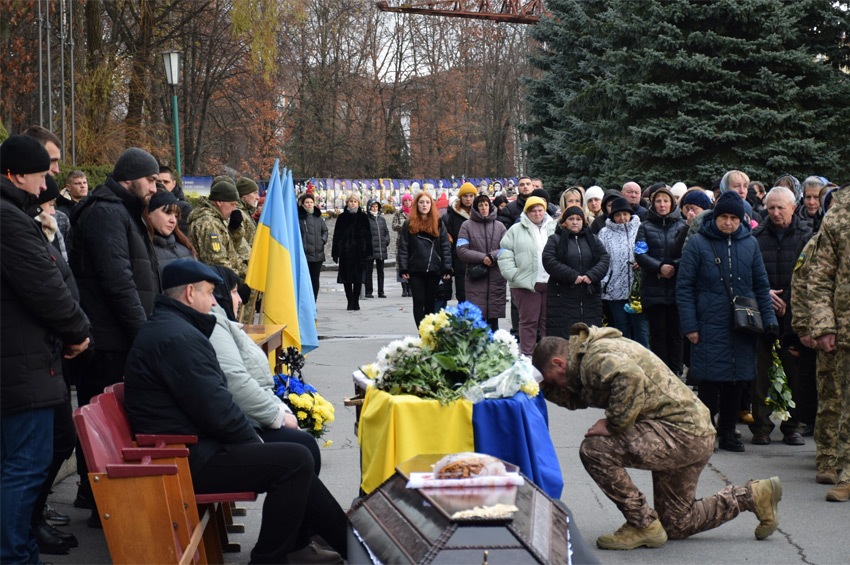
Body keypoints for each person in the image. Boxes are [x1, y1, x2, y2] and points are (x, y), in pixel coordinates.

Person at [123, 260, 347, 563]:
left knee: (298, 447)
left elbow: (213, 403)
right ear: (190, 293)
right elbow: (216, 408)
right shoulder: (179, 337)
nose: (215, 301)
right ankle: (273, 557)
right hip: (185, 456)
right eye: (210, 293)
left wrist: (260, 436)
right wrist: (257, 442)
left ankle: (347, 543)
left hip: (191, 444)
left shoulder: (175, 328)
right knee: (293, 461)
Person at [532, 328, 783, 550]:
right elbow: (580, 397)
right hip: (693, 432)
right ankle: (752, 495)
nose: (557, 385)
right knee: (676, 524)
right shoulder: (588, 356)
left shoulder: (595, 358)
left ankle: (642, 525)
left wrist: (613, 423)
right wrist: (542, 389)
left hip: (680, 434)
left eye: (553, 379)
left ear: (559, 363)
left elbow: (629, 377)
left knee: (595, 449)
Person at [1, 135, 91, 562]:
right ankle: (16, 555)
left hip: (22, 363)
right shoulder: (9, 219)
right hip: (22, 367)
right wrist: (77, 331)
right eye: (40, 176)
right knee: (24, 469)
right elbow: (46, 287)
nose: (43, 188)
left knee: (19, 467)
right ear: (16, 175)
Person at [67, 147, 161, 518]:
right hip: (109, 342)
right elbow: (118, 283)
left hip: (117, 338)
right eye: (151, 180)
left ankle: (99, 500)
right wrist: (144, 335)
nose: (155, 187)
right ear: (130, 178)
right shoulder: (106, 212)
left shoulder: (119, 209)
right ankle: (99, 502)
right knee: (103, 432)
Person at [677, 191, 778, 452]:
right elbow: (685, 287)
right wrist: (690, 325)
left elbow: (760, 284)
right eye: (724, 217)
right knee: (709, 381)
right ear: (716, 217)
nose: (729, 222)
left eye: (734, 217)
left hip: (742, 323)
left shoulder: (750, 244)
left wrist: (769, 322)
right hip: (709, 322)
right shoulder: (699, 243)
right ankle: (706, 431)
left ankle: (728, 430)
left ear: (741, 219)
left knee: (737, 379)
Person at [206, 265, 322, 474]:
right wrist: (277, 415)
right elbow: (237, 382)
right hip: (241, 426)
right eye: (233, 292)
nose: (240, 300)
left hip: (248, 419)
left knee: (303, 448)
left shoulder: (222, 323)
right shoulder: (215, 327)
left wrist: (280, 409)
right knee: (302, 450)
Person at [749, 186, 814, 446]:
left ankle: (792, 426)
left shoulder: (807, 235)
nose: (775, 212)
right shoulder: (755, 236)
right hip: (763, 311)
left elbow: (810, 273)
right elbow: (749, 273)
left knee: (794, 372)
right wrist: (766, 296)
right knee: (760, 372)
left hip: (794, 314)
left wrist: (785, 297)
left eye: (781, 208)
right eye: (771, 207)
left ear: (793, 208)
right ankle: (761, 427)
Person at [790, 190, 843, 488]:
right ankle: (827, 457)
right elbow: (801, 284)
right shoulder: (817, 244)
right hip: (829, 333)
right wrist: (806, 326)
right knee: (830, 397)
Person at [802, 183, 850, 502]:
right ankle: (846, 472)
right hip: (846, 327)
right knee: (844, 403)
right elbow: (818, 278)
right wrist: (823, 324)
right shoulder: (838, 217)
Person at [635, 186, 686, 375]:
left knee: (676, 334)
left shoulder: (681, 226)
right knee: (658, 334)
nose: (662, 205)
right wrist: (658, 267)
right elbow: (640, 253)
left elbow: (688, 253)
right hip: (653, 290)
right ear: (653, 204)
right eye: (658, 201)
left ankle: (677, 372)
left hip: (676, 289)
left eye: (665, 201)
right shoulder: (645, 226)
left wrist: (672, 266)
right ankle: (660, 374)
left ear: (672, 203)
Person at [498, 196, 556, 355]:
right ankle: (527, 357)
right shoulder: (516, 230)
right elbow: (504, 252)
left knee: (548, 323)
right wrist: (513, 275)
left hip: (550, 282)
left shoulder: (554, 227)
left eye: (540, 210)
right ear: (527, 212)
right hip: (526, 283)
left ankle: (547, 357)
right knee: (528, 322)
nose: (537, 214)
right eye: (533, 211)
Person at [542, 206, 610, 339]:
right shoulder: (555, 239)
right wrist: (572, 276)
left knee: (589, 338)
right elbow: (549, 260)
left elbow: (604, 258)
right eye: (571, 219)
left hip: (589, 296)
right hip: (562, 296)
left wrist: (592, 275)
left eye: (578, 219)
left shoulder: (593, 239)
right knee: (566, 339)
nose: (575, 222)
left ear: (583, 222)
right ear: (564, 222)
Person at [597, 197, 649, 347]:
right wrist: (605, 281)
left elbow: (647, 251)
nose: (622, 218)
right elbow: (601, 259)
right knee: (621, 327)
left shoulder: (641, 228)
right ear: (612, 216)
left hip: (638, 290)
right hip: (615, 288)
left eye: (625, 214)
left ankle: (644, 362)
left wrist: (642, 263)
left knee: (641, 328)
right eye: (618, 215)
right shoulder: (604, 233)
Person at [397, 192, 452, 328]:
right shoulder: (409, 224)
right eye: (421, 202)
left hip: (434, 268)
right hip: (416, 269)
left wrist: (446, 267)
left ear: (431, 205)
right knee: (418, 301)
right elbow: (403, 247)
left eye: (427, 202)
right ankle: (422, 332)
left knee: (430, 302)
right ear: (417, 204)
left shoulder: (438, 223)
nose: (424, 205)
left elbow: (445, 246)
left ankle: (428, 331)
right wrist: (403, 267)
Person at [456, 194, 508, 331]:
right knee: (476, 320)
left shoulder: (500, 226)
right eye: (480, 205)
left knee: (493, 321)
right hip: (476, 276)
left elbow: (507, 247)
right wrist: (483, 258)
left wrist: (492, 257)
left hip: (496, 276)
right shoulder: (466, 225)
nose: (484, 208)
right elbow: (461, 250)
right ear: (476, 207)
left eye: (486, 205)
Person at [188, 179, 246, 278]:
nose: (234, 209)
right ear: (219, 202)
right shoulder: (208, 223)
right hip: (219, 285)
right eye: (232, 204)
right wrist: (238, 281)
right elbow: (218, 262)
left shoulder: (217, 219)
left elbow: (231, 252)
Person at [331, 192, 371, 311]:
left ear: (358, 203)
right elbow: (336, 235)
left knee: (358, 278)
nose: (353, 204)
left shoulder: (363, 217)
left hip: (359, 252)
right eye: (351, 201)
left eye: (355, 201)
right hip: (345, 252)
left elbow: (368, 235)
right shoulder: (342, 217)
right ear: (347, 203)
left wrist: (368, 251)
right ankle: (349, 301)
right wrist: (336, 252)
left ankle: (356, 301)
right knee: (346, 278)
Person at [146, 189, 195, 272]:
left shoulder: (186, 247)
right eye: (167, 213)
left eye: (176, 216)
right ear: (149, 213)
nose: (173, 221)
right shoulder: (142, 249)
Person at [445, 182, 477, 302]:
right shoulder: (453, 216)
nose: (468, 199)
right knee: (462, 295)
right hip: (459, 259)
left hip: (477, 258)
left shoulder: (479, 214)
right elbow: (449, 240)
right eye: (465, 196)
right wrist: (450, 263)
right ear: (460, 197)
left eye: (471, 196)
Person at [298, 192, 328, 300]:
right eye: (307, 202)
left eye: (311, 202)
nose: (309, 204)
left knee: (315, 279)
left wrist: (322, 241)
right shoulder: (299, 217)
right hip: (304, 254)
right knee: (305, 280)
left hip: (317, 253)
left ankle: (313, 301)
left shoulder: (318, 217)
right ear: (302, 204)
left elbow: (325, 231)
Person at [157, 165, 194, 234]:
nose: (162, 185)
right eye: (158, 182)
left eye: (166, 182)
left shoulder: (184, 207)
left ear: (174, 184)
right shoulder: (146, 202)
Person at [364, 199, 390, 298]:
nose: (375, 208)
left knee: (381, 271)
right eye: (373, 206)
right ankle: (369, 291)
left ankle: (381, 291)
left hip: (380, 248)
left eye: (376, 207)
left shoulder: (381, 219)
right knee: (369, 271)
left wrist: (386, 241)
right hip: (370, 249)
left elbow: (386, 232)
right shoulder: (366, 219)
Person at [392, 192, 413, 297]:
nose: (407, 202)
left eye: (409, 200)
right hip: (401, 240)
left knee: (411, 263)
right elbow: (394, 226)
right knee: (401, 263)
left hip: (413, 241)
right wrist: (404, 226)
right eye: (405, 200)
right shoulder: (398, 213)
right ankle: (404, 288)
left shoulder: (414, 212)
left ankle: (410, 288)